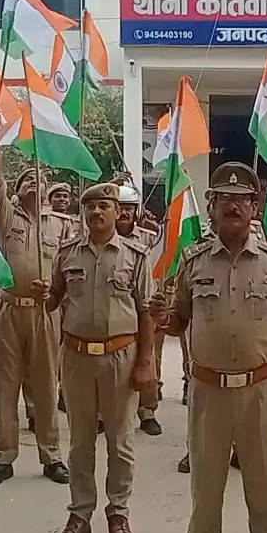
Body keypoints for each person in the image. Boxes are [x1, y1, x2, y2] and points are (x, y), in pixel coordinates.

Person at [149, 162, 267, 533]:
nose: (233, 206)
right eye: (224, 198)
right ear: (211, 208)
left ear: (255, 208)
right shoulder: (193, 261)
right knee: (206, 493)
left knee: (263, 492)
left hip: (260, 390)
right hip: (209, 391)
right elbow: (179, 322)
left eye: (242, 199)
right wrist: (162, 318)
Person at [44, 183, 155, 533]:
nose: (96, 212)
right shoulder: (66, 254)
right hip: (76, 357)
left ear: (117, 211)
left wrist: (146, 361)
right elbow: (54, 299)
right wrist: (43, 294)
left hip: (120, 357)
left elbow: (146, 311)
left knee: (120, 443)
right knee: (79, 443)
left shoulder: (135, 256)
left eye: (103, 206)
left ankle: (118, 516)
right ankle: (79, 516)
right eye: (90, 206)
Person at [0, 106, 73, 487]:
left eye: (39, 177)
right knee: (5, 388)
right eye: (26, 180)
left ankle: (51, 455)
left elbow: (71, 274)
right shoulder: (6, 215)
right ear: (17, 192)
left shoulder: (66, 224)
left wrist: (54, 292)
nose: (33, 182)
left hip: (44, 314)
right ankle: (3, 458)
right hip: (7, 312)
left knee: (46, 388)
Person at [119, 184, 166, 437]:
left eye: (129, 209)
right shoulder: (103, 237)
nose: (124, 214)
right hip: (118, 310)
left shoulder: (149, 237)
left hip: (146, 309)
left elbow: (165, 261)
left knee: (150, 360)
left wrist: (160, 231)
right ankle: (106, 414)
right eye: (121, 208)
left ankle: (148, 411)